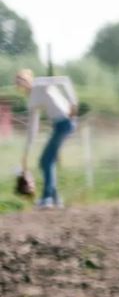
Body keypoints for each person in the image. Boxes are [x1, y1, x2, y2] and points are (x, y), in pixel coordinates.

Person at [15, 69, 78, 210]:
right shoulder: (31, 100)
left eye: (23, 80)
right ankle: (55, 200)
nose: (22, 84)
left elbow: (65, 80)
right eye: (19, 83)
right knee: (47, 161)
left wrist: (74, 103)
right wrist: (26, 153)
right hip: (59, 125)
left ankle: (47, 199)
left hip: (65, 122)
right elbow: (33, 128)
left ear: (29, 79)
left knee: (45, 161)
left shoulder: (40, 83)